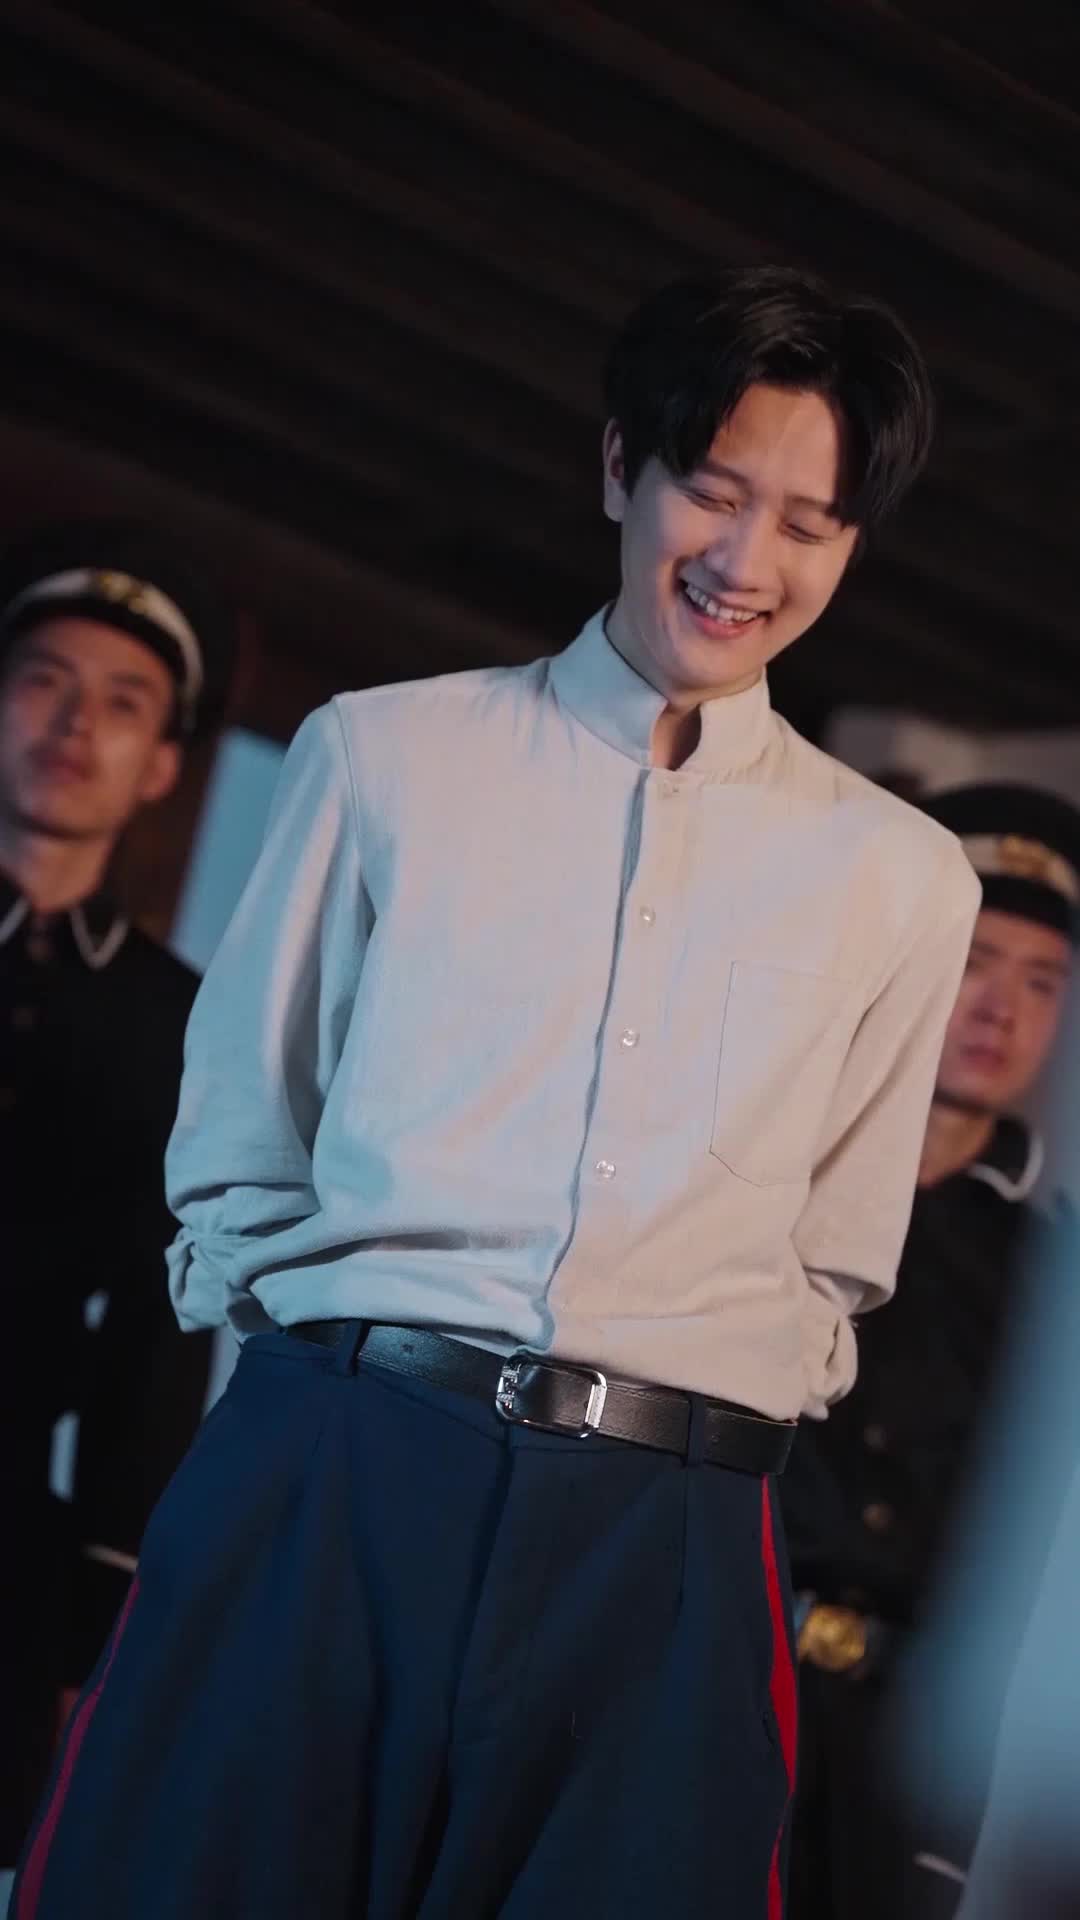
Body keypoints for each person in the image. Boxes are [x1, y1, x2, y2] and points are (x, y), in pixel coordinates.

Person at [13, 266, 980, 1920]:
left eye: (808, 524)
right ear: (619, 467)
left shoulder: (902, 879)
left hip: (668, 1533)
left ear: (849, 549)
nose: (747, 561)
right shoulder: (386, 756)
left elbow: (836, 1253)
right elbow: (240, 1146)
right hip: (341, 1462)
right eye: (714, 490)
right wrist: (329, 1391)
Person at [783, 782, 1080, 1920]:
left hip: (900, 1757)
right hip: (711, 1679)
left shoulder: (1045, 1274)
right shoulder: (770, 1176)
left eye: (1043, 981)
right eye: (975, 961)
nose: (1002, 1010)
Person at [0, 523, 230, 1868]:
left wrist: (100, 1615)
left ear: (160, 766)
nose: (75, 726)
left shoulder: (180, 1025)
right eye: (44, 681)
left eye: (124, 703)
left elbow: (160, 1335)